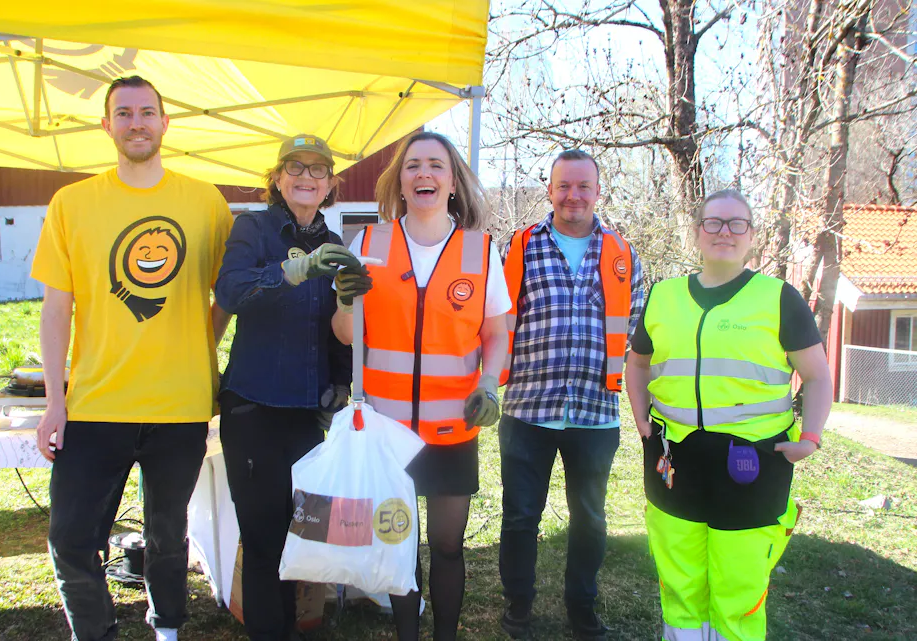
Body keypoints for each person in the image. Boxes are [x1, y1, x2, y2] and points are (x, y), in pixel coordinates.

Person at [32, 76, 234, 641]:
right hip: (95, 404)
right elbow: (55, 310)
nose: (137, 122)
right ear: (107, 126)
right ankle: (94, 632)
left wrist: (203, 340)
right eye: (124, 113)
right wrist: (54, 402)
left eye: (148, 112)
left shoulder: (205, 202)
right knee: (71, 537)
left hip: (180, 404)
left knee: (168, 536)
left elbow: (230, 290)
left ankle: (166, 626)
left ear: (166, 123)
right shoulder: (72, 204)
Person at [625, 189, 831, 641]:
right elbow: (638, 364)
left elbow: (817, 376)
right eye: (714, 222)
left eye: (737, 223)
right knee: (680, 583)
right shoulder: (663, 297)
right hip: (673, 461)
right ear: (697, 232)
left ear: (751, 235)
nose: (724, 232)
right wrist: (642, 420)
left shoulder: (778, 299)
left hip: (753, 465)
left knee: (738, 588)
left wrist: (810, 439)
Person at [331, 131, 510, 641]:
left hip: (453, 426)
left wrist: (491, 383)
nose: (424, 174)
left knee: (447, 544)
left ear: (452, 181)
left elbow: (496, 331)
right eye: (413, 166)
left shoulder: (479, 251)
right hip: (386, 431)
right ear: (399, 182)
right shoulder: (367, 244)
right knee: (399, 542)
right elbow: (345, 334)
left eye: (436, 165)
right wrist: (345, 302)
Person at [213, 134, 367, 641]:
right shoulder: (252, 228)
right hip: (253, 407)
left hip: (307, 416)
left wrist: (348, 302)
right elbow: (232, 291)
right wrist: (296, 269)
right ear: (277, 179)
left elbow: (340, 335)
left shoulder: (339, 246)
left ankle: (293, 627)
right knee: (261, 538)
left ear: (330, 185)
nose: (306, 177)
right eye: (295, 168)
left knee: (302, 533)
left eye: (318, 170)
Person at [498, 149, 644, 640]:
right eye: (564, 186)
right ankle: (518, 604)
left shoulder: (623, 255)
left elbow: (640, 331)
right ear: (549, 190)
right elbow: (496, 323)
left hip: (595, 411)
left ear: (597, 192)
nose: (573, 195)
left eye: (583, 186)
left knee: (590, 519)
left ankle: (582, 607)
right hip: (527, 409)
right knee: (520, 516)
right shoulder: (520, 248)